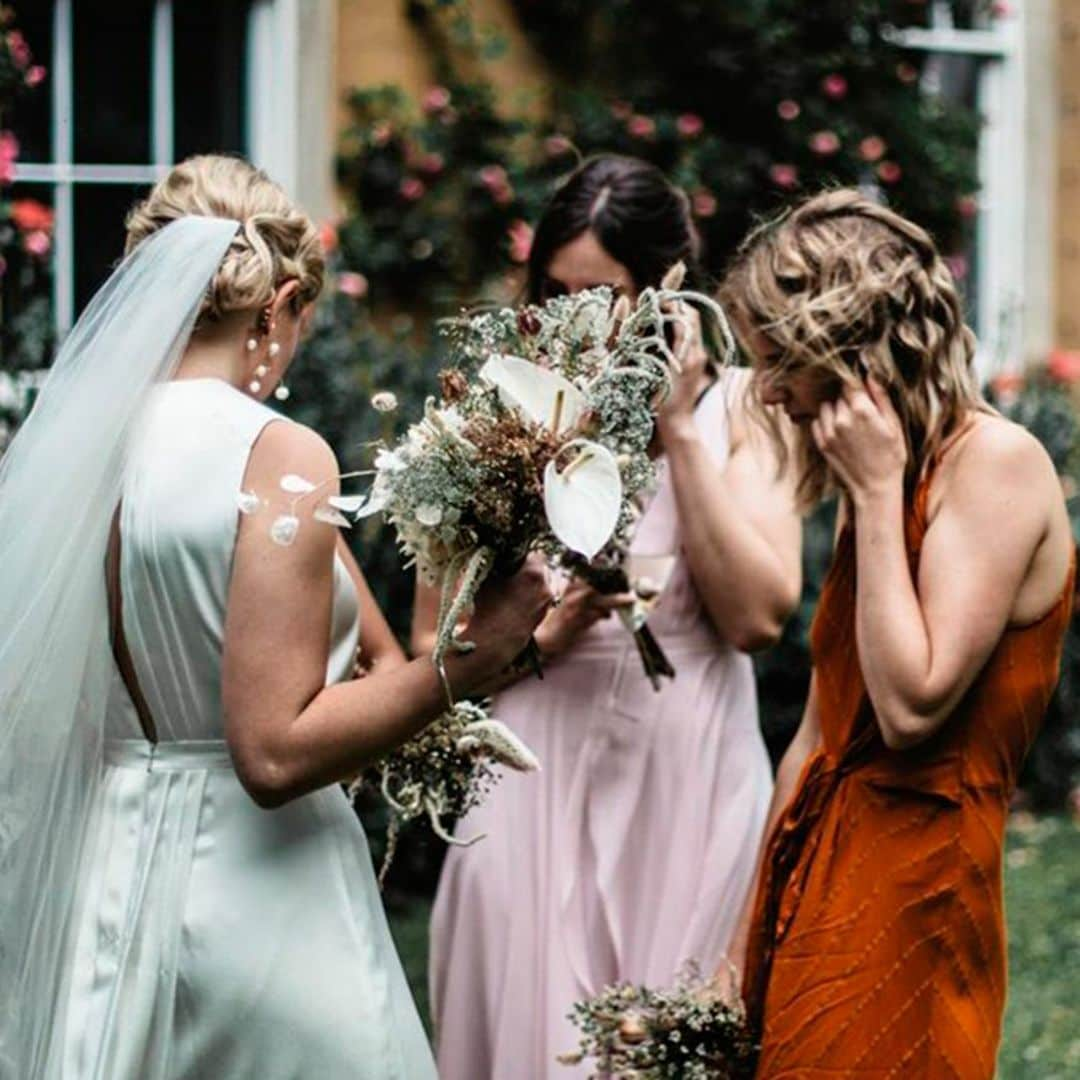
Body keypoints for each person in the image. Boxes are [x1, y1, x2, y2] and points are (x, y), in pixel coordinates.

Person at [0, 154, 550, 1080]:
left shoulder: (83, 445)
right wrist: (472, 660)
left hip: (112, 868)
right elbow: (273, 750)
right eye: (301, 322)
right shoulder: (275, 453)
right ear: (279, 301)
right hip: (255, 898)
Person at [416, 155, 802, 1079]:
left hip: (687, 769)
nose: (575, 322)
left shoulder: (743, 410)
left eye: (606, 297)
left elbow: (757, 617)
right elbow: (435, 654)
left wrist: (676, 427)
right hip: (532, 764)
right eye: (556, 294)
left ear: (669, 292)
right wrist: (547, 630)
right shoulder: (498, 418)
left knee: (664, 1045)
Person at [721, 188, 1075, 1078]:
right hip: (818, 868)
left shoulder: (993, 465)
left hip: (918, 890)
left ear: (849, 350)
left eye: (780, 363)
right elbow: (813, 735)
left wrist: (877, 498)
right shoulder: (881, 474)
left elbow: (913, 707)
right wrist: (740, 944)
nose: (766, 390)